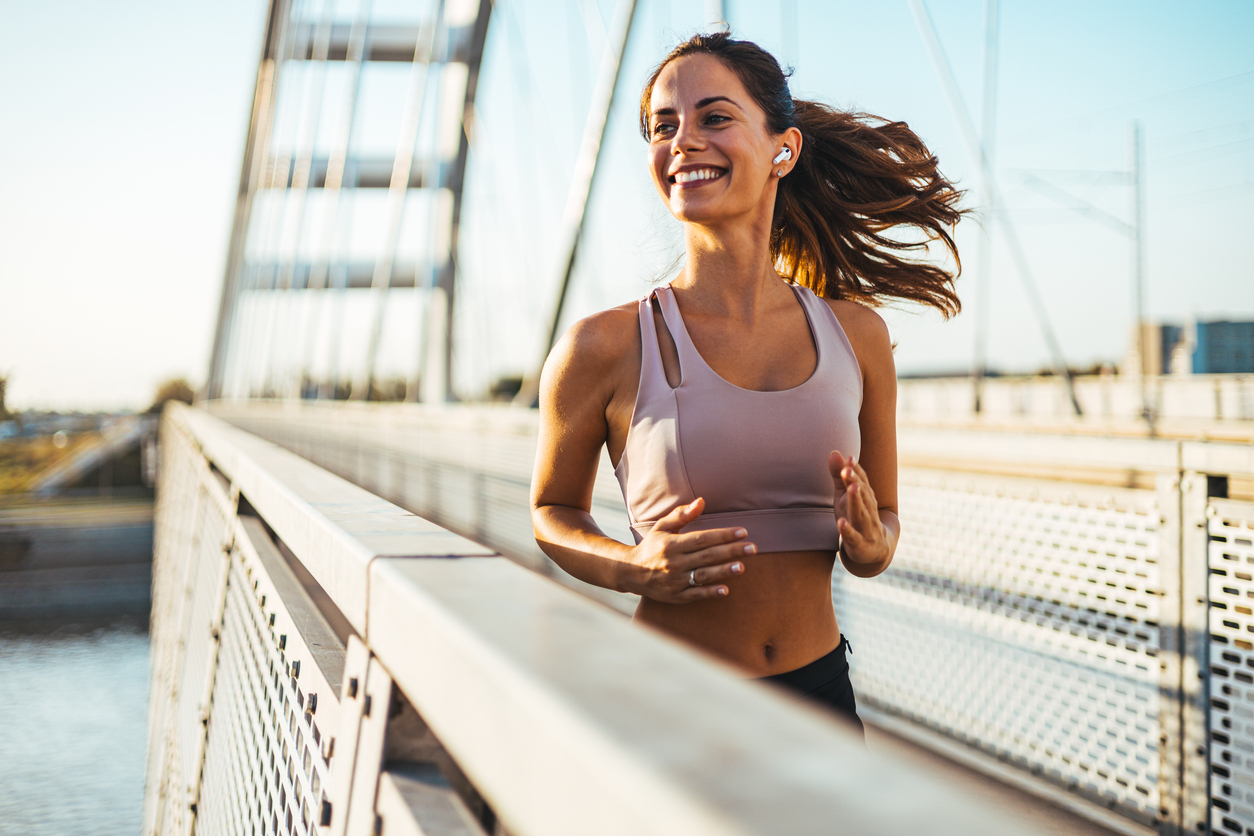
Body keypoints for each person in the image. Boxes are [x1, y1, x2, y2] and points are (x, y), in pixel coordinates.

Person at [529, 32, 963, 735]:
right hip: (671, 703)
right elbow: (552, 511)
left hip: (820, 699)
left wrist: (874, 544)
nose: (684, 141)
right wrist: (634, 565)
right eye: (663, 126)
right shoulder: (603, 345)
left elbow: (883, 519)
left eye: (714, 117)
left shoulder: (859, 336)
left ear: (782, 150)